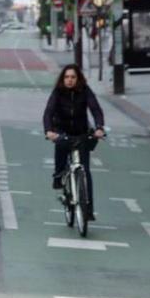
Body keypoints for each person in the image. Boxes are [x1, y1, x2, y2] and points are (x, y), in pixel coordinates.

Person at [43, 64, 105, 220]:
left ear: (78, 79)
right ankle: (58, 176)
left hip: (81, 132)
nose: (69, 80)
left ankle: (88, 210)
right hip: (62, 131)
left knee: (86, 171)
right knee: (61, 148)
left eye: (73, 77)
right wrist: (49, 131)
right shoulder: (58, 92)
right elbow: (48, 112)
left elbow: (95, 109)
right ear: (62, 79)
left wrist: (99, 127)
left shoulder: (85, 91)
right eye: (66, 77)